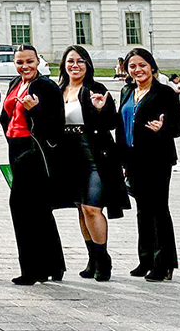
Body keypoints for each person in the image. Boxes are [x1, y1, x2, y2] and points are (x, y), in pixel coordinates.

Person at [0, 45, 69, 285]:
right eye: (20, 62)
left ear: (38, 61)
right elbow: (5, 115)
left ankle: (33, 269)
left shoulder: (46, 86)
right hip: (15, 147)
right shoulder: (15, 84)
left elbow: (55, 123)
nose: (25, 67)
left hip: (35, 150)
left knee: (23, 207)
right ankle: (54, 265)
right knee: (38, 209)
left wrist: (35, 110)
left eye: (29, 62)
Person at [57, 45, 128, 282]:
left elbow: (111, 122)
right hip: (69, 157)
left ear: (87, 65)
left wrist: (100, 109)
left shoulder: (96, 89)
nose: (74, 66)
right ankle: (92, 258)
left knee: (92, 207)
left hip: (95, 155)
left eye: (80, 61)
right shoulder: (59, 90)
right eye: (70, 61)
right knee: (81, 208)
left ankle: (103, 258)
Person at [118, 48, 180, 282]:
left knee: (158, 210)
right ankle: (145, 258)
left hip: (157, 159)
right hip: (133, 158)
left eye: (142, 65)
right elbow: (121, 126)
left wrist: (162, 129)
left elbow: (178, 127)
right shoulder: (127, 91)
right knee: (142, 211)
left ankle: (164, 263)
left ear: (152, 67)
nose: (138, 70)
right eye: (132, 66)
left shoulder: (164, 92)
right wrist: (122, 159)